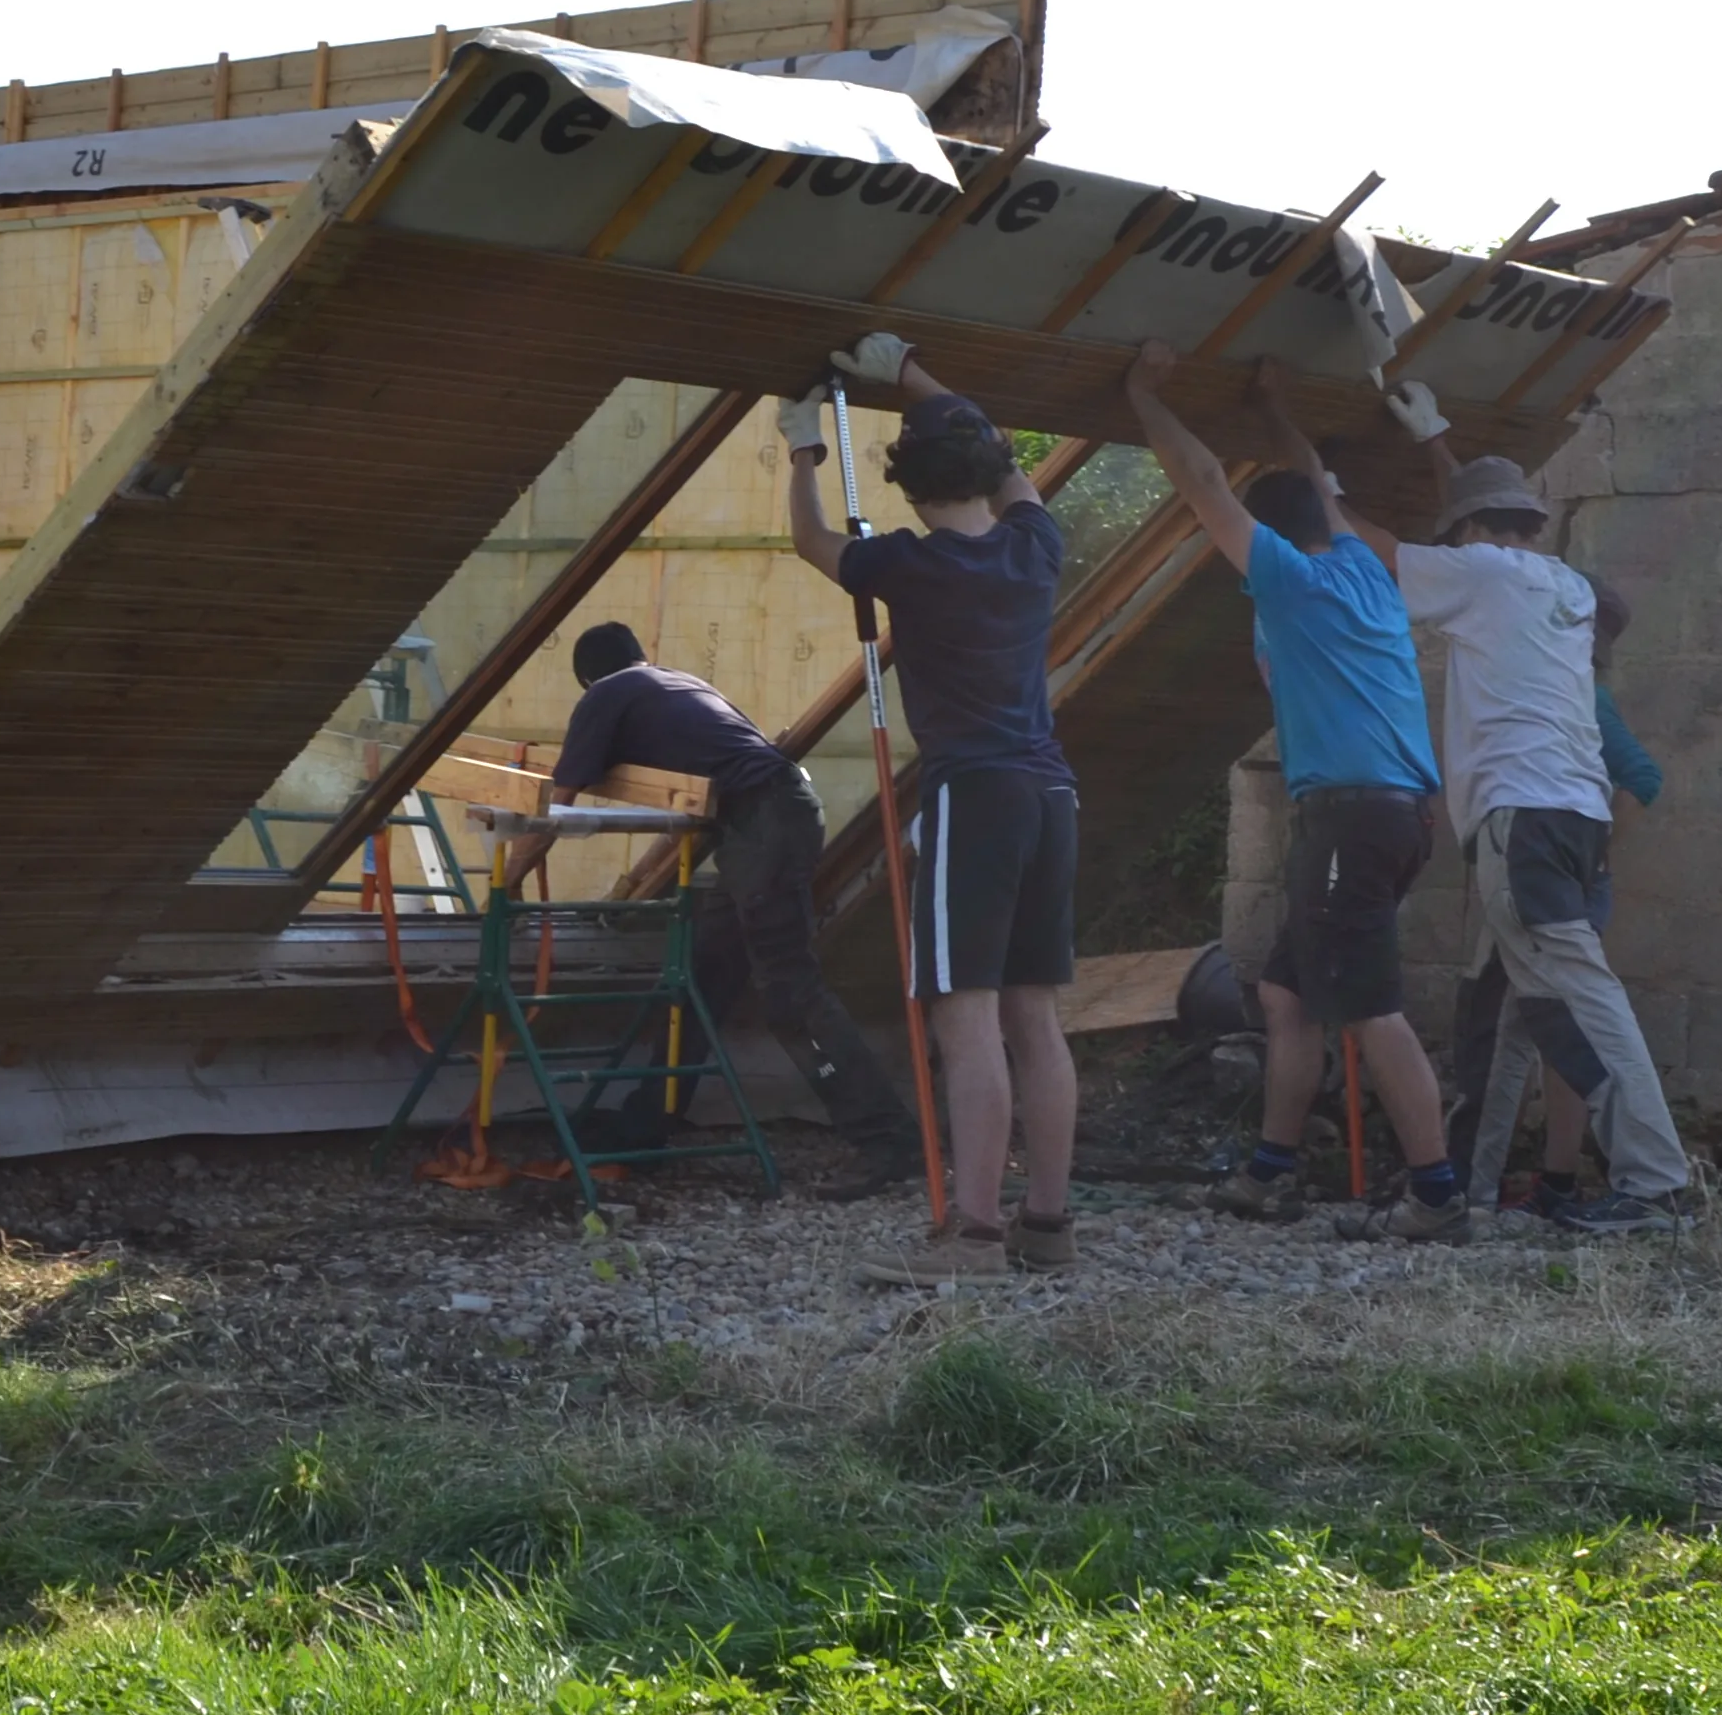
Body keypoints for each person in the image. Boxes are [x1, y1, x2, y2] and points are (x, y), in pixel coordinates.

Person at [1121, 343, 1470, 1241]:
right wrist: (1276, 408)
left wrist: (1143, 396)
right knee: (1287, 996)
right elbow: (1312, 473)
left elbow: (1201, 478)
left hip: (1351, 818)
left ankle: (1436, 1193)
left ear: (1270, 539)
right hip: (1393, 817)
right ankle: (1272, 1170)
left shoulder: (1293, 582)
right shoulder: (1363, 569)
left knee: (1367, 1005)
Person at [786, 334, 1079, 1282]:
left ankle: (977, 1237)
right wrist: (912, 370)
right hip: (1051, 793)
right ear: (997, 476)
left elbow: (810, 542)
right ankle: (1047, 1223)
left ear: (909, 489)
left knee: (966, 1016)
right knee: (1035, 1018)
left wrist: (802, 457)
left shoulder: (905, 565)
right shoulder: (1036, 546)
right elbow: (995, 449)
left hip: (975, 798)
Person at [1393, 400, 1696, 1233]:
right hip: (1568, 820)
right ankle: (1497, 1189)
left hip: (1521, 821)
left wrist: (1321, 487)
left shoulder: (1485, 575)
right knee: (1546, 1014)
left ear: (1471, 535)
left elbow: (1380, 553)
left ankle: (1655, 1183)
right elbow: (1469, 532)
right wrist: (1433, 442)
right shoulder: (1561, 583)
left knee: (1582, 1006)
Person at [513, 619, 920, 1174]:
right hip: (775, 816)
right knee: (704, 977)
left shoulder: (606, 694)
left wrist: (508, 883)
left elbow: (556, 809)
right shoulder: (682, 686)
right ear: (642, 655)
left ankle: (887, 1140)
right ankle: (647, 1123)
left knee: (790, 991)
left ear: (588, 679)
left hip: (763, 826)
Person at [1454, 586, 1657, 1208]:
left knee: (1512, 1027)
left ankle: (1481, 1184)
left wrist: (1592, 860)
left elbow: (1643, 777)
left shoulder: (1580, 697)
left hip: (1547, 876)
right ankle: (1544, 1182)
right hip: (1552, 874)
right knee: (1541, 1027)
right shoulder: (1574, 695)